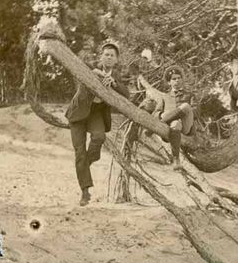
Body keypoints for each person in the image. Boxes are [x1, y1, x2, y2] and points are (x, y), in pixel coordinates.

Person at [65, 42, 130, 206]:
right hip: (78, 112)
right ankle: (85, 192)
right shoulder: (90, 67)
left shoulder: (116, 74)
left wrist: (113, 83)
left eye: (112, 55)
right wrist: (98, 75)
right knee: (79, 151)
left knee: (99, 137)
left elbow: (126, 93)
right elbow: (80, 70)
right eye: (106, 54)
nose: (108, 57)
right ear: (101, 56)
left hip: (96, 113)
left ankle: (86, 163)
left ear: (116, 60)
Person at [141, 66, 195, 170]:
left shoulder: (189, 95)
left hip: (186, 125)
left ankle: (152, 128)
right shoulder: (165, 97)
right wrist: (163, 115)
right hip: (172, 127)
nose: (177, 80)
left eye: (179, 78)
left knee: (186, 106)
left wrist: (181, 113)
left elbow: (196, 112)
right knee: (175, 124)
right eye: (174, 79)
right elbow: (156, 113)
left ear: (182, 79)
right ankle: (176, 160)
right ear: (169, 82)